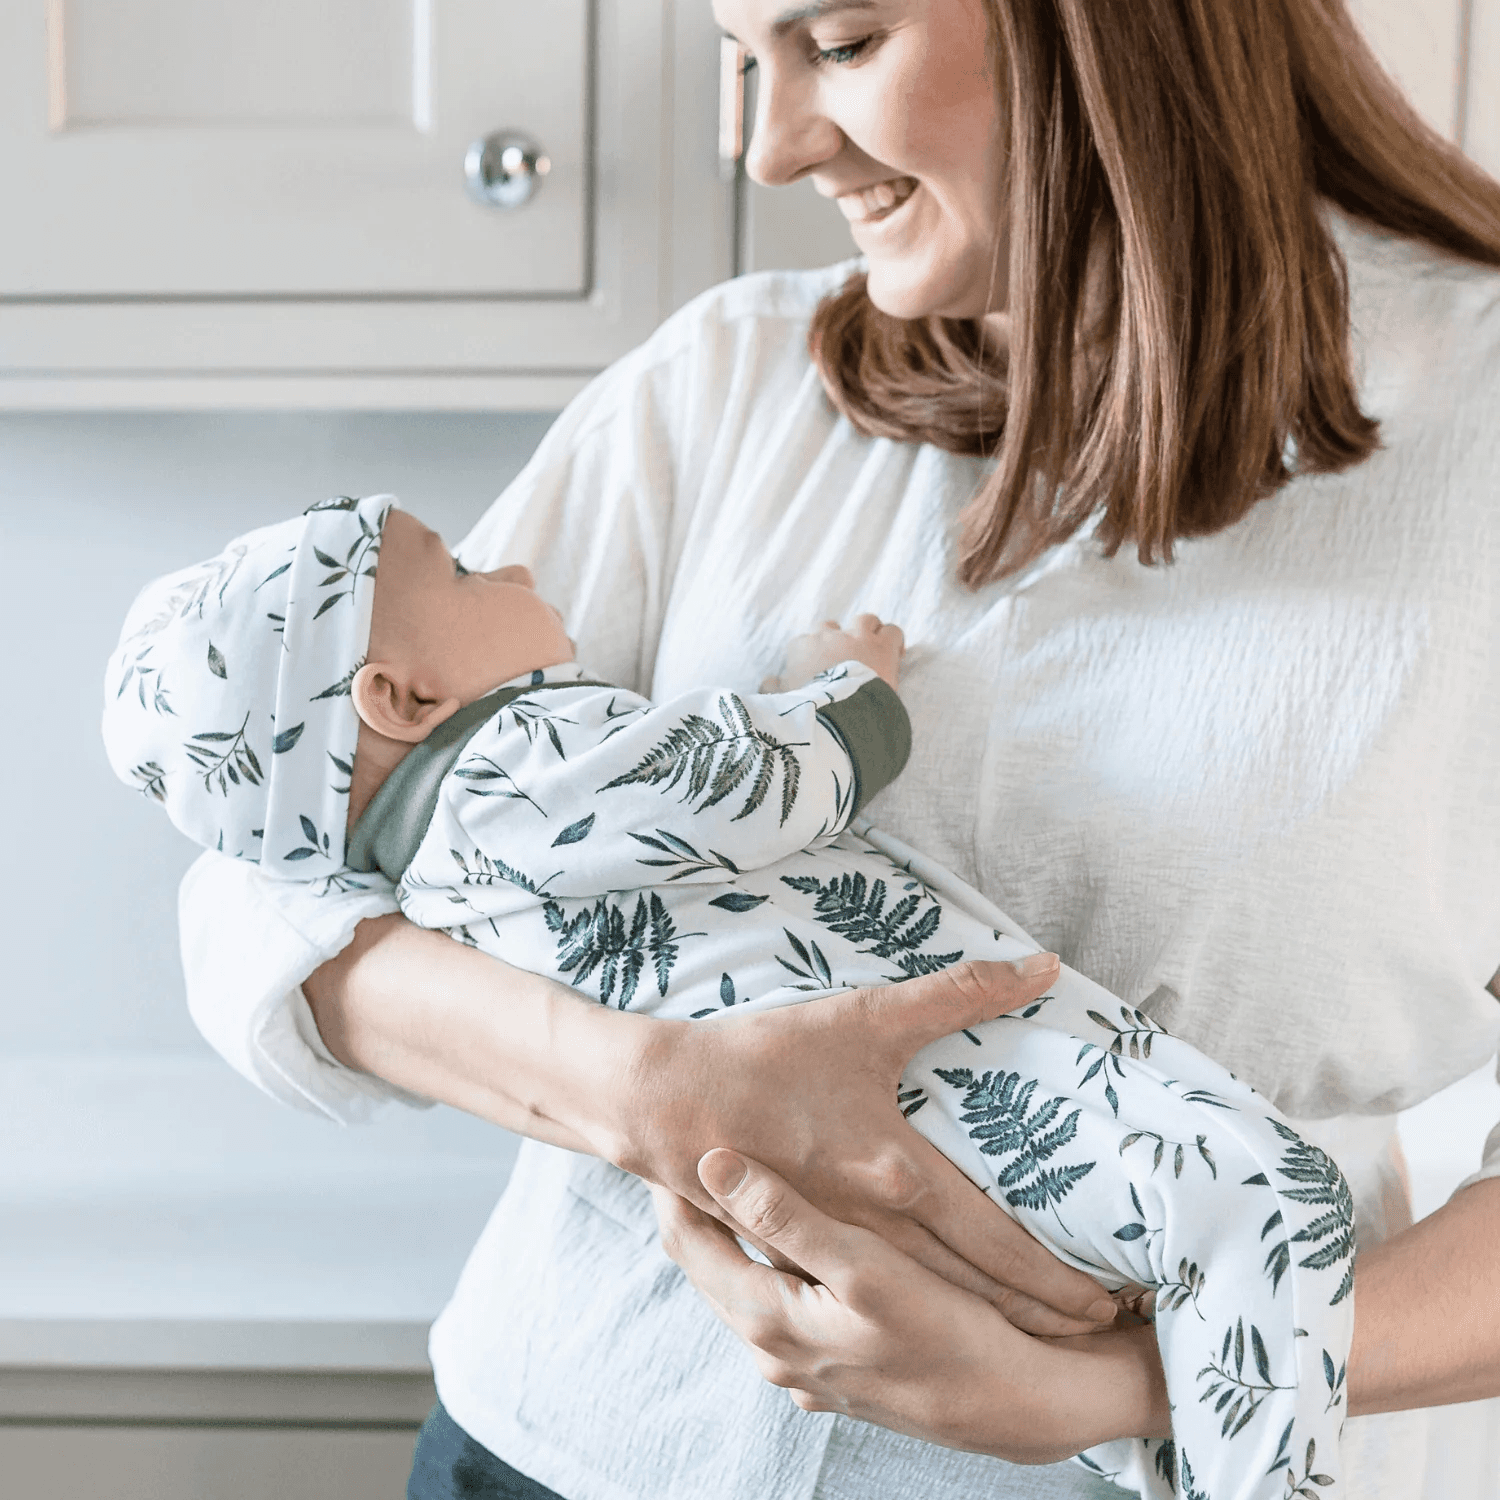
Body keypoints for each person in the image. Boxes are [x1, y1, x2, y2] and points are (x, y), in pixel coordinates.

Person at [172, 0, 1500, 1497]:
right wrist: (646, 1091)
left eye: (843, 42)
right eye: (743, 59)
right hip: (551, 1444)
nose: (771, 147)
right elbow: (261, 888)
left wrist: (1114, 1387)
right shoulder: (730, 382)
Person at [107, 495, 1361, 1497]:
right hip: (929, 1106)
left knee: (1152, 1316)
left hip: (866, 1212)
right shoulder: (519, 759)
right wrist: (852, 691)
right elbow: (752, 782)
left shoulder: (442, 872)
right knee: (1272, 1203)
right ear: (398, 697)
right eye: (467, 572)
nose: (515, 564)